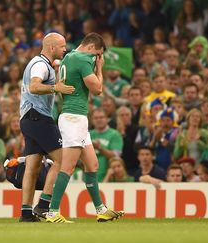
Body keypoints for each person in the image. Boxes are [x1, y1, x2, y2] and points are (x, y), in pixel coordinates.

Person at [46, 33, 123, 223]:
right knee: (68, 166)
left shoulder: (69, 56)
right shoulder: (82, 59)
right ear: (90, 48)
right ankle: (52, 211)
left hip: (75, 117)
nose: (96, 59)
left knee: (92, 164)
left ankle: (101, 209)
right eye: (97, 55)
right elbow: (97, 89)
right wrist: (100, 68)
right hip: (74, 118)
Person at [18, 32, 75, 222]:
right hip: (39, 117)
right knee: (63, 161)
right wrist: (55, 88)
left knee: (32, 167)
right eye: (62, 46)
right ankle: (43, 205)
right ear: (52, 48)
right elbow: (35, 86)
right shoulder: (41, 65)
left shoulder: (37, 63)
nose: (65, 49)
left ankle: (26, 213)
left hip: (27, 118)